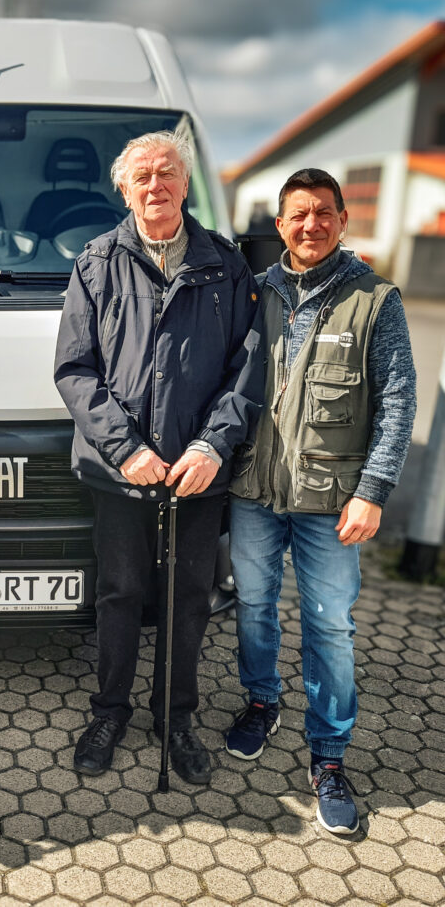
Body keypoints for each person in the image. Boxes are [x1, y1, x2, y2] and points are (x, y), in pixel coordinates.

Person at [54, 130, 262, 784]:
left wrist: (211, 444)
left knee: (189, 600)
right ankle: (109, 712)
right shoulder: (94, 262)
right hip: (123, 476)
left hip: (197, 474)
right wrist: (126, 450)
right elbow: (74, 370)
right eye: (142, 175)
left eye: (167, 172)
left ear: (185, 184)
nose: (155, 185)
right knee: (119, 595)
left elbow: (248, 370)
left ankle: (176, 720)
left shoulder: (226, 265)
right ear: (124, 187)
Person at [225, 168, 416, 835]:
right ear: (279, 225)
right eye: (297, 214)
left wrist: (373, 492)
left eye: (323, 213)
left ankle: (329, 758)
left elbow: (397, 406)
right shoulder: (253, 294)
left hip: (332, 502)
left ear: (342, 220)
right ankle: (260, 701)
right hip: (253, 491)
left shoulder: (376, 300)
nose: (310, 225)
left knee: (329, 625)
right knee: (252, 607)